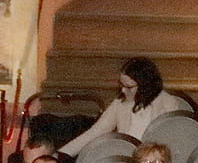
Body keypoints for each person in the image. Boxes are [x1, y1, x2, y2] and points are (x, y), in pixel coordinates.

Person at [61, 56, 191, 155]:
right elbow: (95, 132)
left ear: (145, 85)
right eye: (121, 85)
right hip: (126, 158)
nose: (123, 91)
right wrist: (62, 154)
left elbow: (170, 143)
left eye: (129, 87)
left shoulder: (167, 103)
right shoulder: (120, 104)